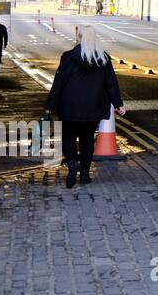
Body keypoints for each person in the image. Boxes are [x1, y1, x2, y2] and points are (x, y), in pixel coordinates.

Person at [44, 26, 125, 188]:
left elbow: (59, 83)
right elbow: (111, 84)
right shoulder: (103, 59)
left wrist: (49, 106)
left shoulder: (68, 57)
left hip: (69, 107)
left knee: (68, 138)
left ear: (78, 37)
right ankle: (85, 175)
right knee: (87, 141)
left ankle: (73, 163)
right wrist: (118, 104)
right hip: (92, 108)